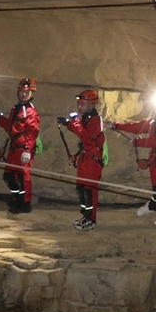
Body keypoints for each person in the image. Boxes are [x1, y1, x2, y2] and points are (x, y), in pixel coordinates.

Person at [109, 93, 156, 227]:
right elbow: (136, 127)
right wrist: (117, 126)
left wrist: (138, 142)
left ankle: (152, 206)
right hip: (155, 160)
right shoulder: (153, 122)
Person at [58, 89, 106, 231]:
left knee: (90, 191)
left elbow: (85, 136)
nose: (79, 107)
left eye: (82, 104)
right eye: (79, 104)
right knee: (83, 189)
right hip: (86, 158)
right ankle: (86, 216)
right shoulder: (87, 118)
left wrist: (73, 121)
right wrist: (68, 123)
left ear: (91, 105)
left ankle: (91, 219)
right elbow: (81, 132)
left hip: (92, 159)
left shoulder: (96, 120)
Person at [0, 77, 40, 214]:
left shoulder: (31, 112)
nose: (23, 94)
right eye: (21, 91)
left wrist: (27, 149)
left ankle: (25, 203)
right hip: (14, 149)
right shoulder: (16, 108)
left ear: (32, 94)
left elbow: (32, 132)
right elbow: (11, 126)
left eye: (27, 92)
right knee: (8, 176)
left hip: (23, 149)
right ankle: (18, 198)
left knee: (22, 177)